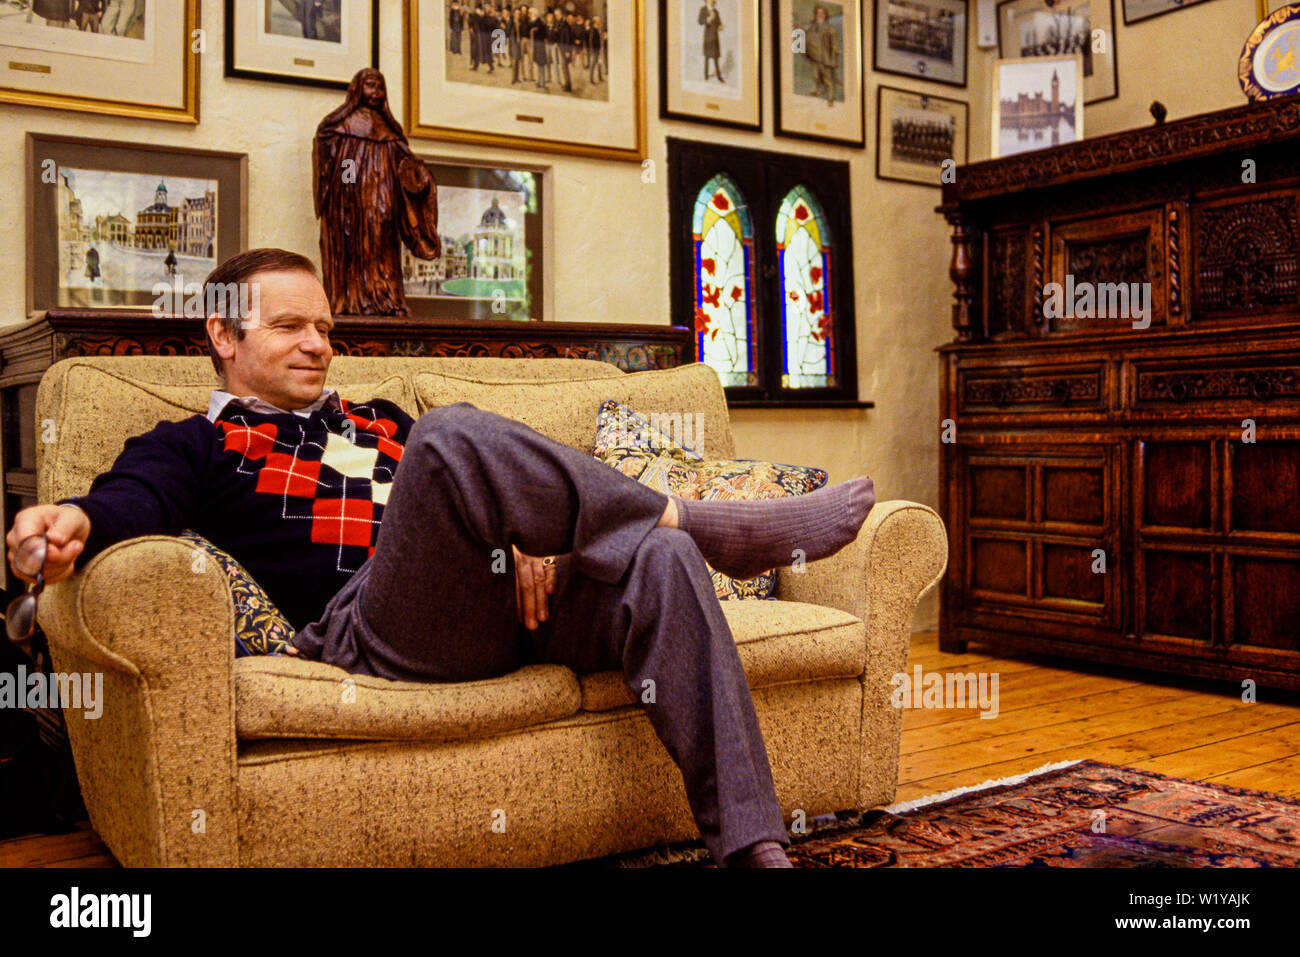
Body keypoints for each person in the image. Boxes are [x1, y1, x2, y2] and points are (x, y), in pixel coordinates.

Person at [9, 249, 876, 867]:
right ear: (223, 336)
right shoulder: (196, 443)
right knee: (457, 435)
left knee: (660, 562)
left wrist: (528, 538)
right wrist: (71, 518)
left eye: (324, 326)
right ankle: (706, 521)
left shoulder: (379, 415)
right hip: (379, 628)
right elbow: (127, 504)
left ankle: (754, 844)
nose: (317, 343)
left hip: (502, 601)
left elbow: (495, 490)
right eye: (289, 326)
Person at [312, 69, 441, 316]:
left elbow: (405, 165)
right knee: (351, 245)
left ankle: (386, 298)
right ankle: (350, 300)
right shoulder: (340, 126)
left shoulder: (390, 131)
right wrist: (346, 186)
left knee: (382, 244)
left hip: (382, 201)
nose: (375, 92)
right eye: (370, 86)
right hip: (348, 200)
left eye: (379, 87)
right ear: (357, 90)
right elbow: (329, 154)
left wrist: (419, 175)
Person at [805, 3, 839, 106]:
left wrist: (833, 60)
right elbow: (808, 39)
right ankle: (819, 91)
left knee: (828, 80)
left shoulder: (830, 29)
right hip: (814, 57)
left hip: (825, 58)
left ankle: (830, 99)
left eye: (822, 13)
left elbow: (835, 46)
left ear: (825, 15)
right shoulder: (812, 27)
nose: (819, 15)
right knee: (816, 76)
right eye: (818, 13)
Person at [699, 0, 723, 83]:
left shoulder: (716, 11)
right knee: (707, 57)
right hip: (708, 38)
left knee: (716, 57)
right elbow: (700, 21)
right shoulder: (703, 9)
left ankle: (719, 76)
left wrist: (720, 26)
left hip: (715, 37)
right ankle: (705, 76)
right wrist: (709, 19)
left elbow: (719, 23)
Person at [530, 9, 548, 90]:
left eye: (531, 13)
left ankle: (542, 83)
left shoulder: (539, 23)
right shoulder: (535, 22)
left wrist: (533, 30)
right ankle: (540, 81)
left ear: (535, 14)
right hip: (537, 45)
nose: (529, 15)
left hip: (540, 45)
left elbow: (543, 34)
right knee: (539, 64)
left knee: (541, 64)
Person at [587, 14, 604, 84]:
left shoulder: (598, 29)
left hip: (599, 49)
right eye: (598, 20)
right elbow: (591, 41)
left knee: (600, 63)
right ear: (595, 22)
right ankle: (591, 79)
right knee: (593, 64)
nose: (600, 21)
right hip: (596, 50)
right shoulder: (593, 30)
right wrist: (595, 50)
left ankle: (600, 77)